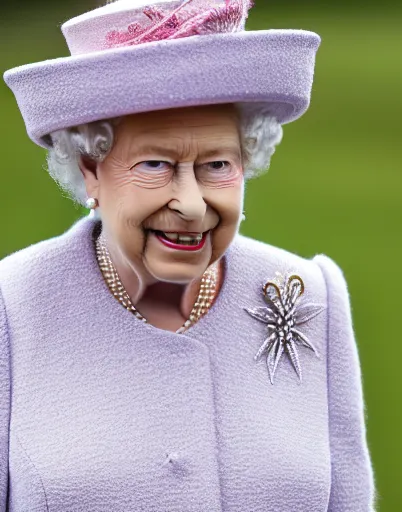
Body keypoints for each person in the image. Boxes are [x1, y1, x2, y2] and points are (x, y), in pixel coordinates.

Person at [0, 0, 376, 510]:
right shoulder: (12, 306)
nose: (193, 204)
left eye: (217, 164)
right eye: (155, 164)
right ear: (91, 169)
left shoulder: (310, 294)